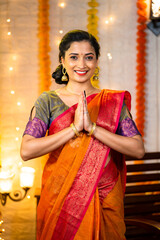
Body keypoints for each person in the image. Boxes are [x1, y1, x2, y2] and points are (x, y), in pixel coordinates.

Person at [20, 30, 145, 240]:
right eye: (74, 57)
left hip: (105, 197)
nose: (82, 64)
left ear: (96, 61)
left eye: (89, 57)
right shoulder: (48, 101)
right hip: (60, 198)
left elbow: (137, 149)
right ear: (62, 60)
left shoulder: (112, 102)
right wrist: (74, 129)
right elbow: (26, 150)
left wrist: (94, 128)